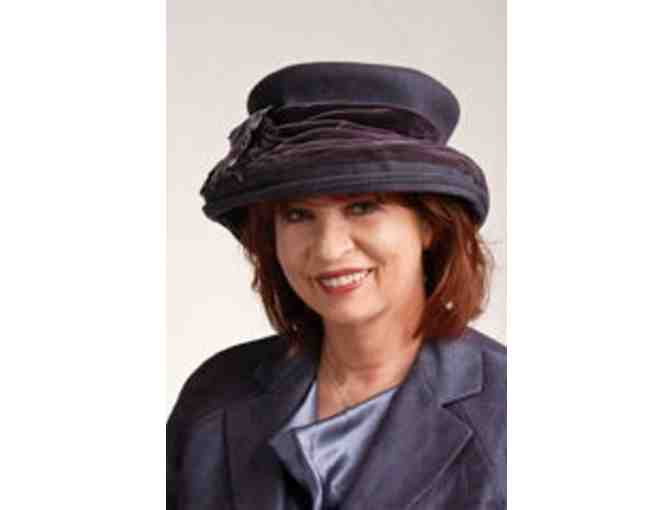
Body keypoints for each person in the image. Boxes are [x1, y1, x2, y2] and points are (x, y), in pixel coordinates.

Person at [167, 62, 506, 510]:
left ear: (429, 225)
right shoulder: (216, 395)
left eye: (362, 207)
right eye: (298, 215)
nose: (328, 249)